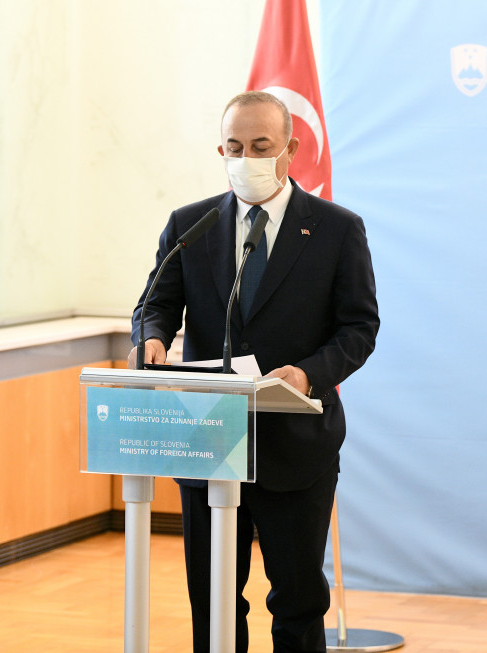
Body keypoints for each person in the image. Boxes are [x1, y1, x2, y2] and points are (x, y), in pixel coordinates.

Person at [128, 90, 379, 652]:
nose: (247, 157)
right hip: (207, 437)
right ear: (220, 148)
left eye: (261, 146)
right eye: (234, 147)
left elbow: (359, 328)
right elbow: (155, 304)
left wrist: (309, 374)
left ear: (290, 148)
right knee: (213, 596)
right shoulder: (190, 225)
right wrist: (151, 340)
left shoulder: (338, 229)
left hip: (296, 442)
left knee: (296, 598)